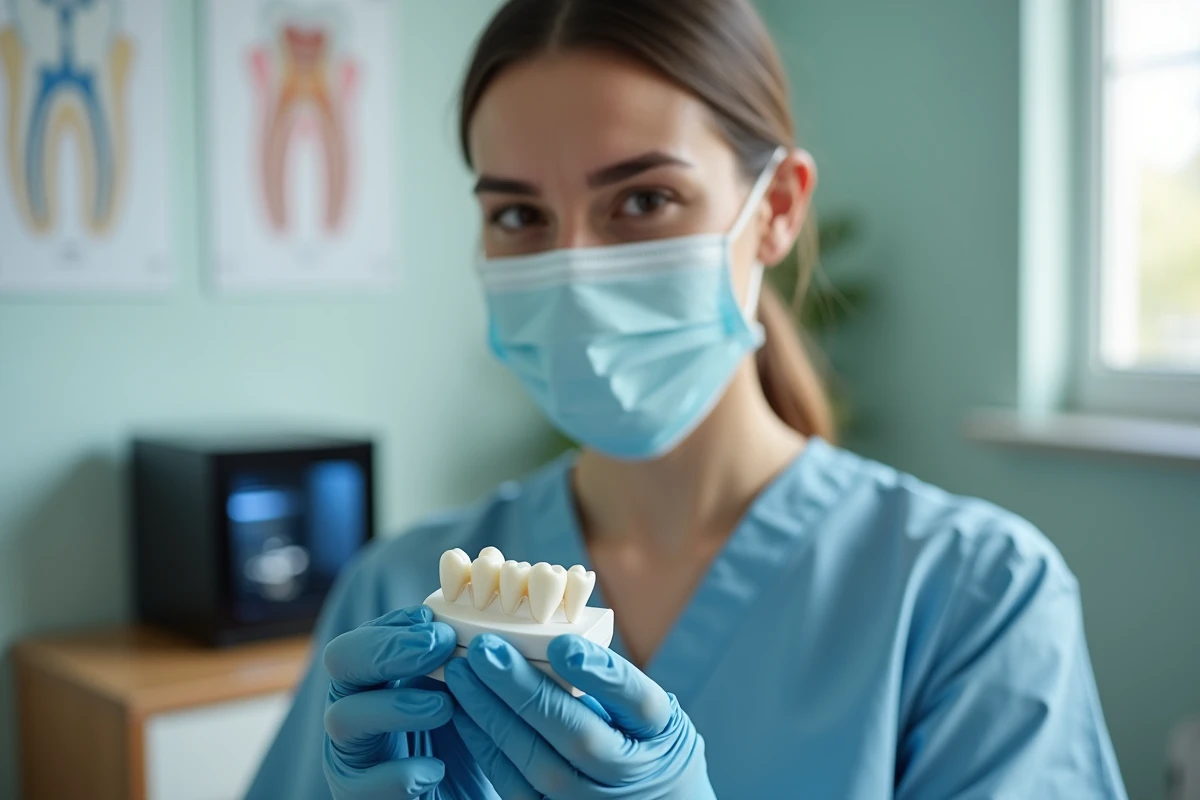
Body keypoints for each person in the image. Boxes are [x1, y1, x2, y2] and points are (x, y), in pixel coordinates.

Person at [247, 0, 1128, 797]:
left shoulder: (973, 598)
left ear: (776, 208)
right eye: (519, 216)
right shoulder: (395, 594)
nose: (577, 274)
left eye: (643, 199)